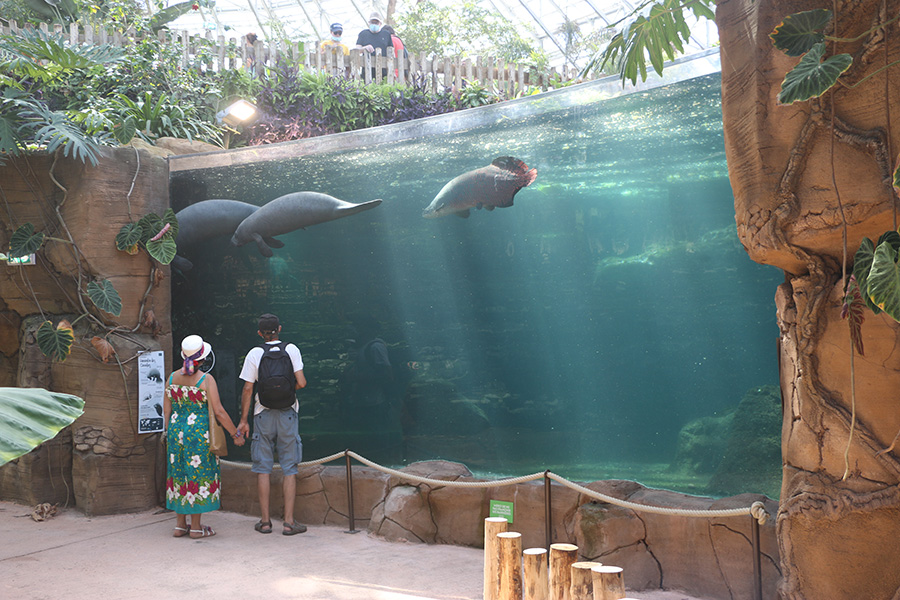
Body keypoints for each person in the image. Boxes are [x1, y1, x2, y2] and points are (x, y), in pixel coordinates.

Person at [165, 334, 244, 539]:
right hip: (198, 435)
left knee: (178, 474)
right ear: (203, 359)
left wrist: (167, 433)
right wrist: (235, 433)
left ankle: (180, 525)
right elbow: (219, 412)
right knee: (197, 475)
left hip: (176, 433)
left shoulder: (172, 378)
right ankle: (197, 528)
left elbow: (166, 410)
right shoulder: (206, 380)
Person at [237, 313, 308, 536]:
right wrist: (287, 392)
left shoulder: (255, 353)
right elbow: (302, 382)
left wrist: (243, 420)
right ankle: (289, 523)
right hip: (288, 414)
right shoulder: (292, 350)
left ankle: (265, 522)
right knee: (289, 468)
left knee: (263, 469)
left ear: (260, 333)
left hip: (263, 415)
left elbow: (248, 389)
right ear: (280, 328)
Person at [353, 11, 394, 78]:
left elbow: (391, 51)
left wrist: (393, 71)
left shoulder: (386, 34)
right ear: (369, 22)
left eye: (376, 22)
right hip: (367, 70)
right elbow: (357, 50)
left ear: (380, 23)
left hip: (383, 70)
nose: (374, 24)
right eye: (372, 22)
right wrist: (364, 48)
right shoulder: (363, 34)